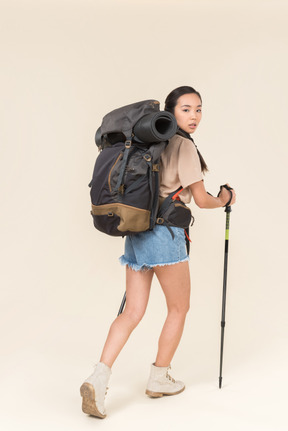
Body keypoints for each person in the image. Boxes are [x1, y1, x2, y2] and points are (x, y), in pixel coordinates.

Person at [80, 86, 236, 419]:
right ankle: (160, 377)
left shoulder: (150, 144)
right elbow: (203, 199)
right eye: (186, 109)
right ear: (170, 112)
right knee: (179, 308)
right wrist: (225, 198)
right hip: (165, 234)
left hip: (136, 231)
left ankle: (99, 376)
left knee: (132, 312)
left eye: (198, 109)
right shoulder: (183, 146)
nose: (193, 116)